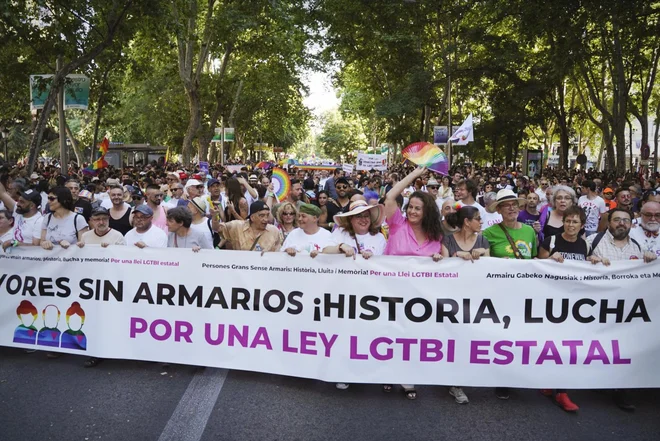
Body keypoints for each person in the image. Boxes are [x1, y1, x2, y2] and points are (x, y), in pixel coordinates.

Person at [586, 207, 656, 411]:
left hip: (625, 308)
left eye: (626, 220)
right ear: (609, 223)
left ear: (631, 224)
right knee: (599, 345)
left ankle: (621, 390)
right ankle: (596, 381)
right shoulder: (593, 242)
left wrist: (649, 260)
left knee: (623, 346)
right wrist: (590, 260)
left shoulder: (636, 247)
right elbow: (574, 267)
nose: (622, 224)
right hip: (597, 305)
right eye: (617, 220)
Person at [383, 166, 443, 400]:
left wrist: (439, 259)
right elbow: (389, 197)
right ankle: (387, 374)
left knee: (411, 336)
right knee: (390, 334)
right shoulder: (397, 224)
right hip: (390, 291)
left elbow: (442, 261)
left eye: (419, 208)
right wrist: (415, 176)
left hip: (419, 297)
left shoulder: (435, 236)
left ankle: (407, 375)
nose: (413, 212)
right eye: (411, 207)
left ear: (427, 212)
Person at [483, 189, 537, 400]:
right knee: (502, 338)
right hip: (500, 295)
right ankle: (502, 379)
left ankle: (516, 375)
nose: (512, 208)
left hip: (524, 293)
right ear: (499, 210)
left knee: (520, 336)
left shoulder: (529, 232)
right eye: (506, 205)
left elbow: (534, 261)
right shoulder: (489, 234)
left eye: (514, 204)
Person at [214, 200, 282, 252]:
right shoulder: (237, 227)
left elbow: (280, 253)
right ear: (252, 217)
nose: (266, 219)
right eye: (262, 216)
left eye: (267, 215)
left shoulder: (274, 231)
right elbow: (217, 228)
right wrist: (215, 216)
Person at [0, 186, 43, 251]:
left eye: (22, 202)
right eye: (18, 201)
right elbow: (2, 193)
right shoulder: (18, 211)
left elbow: (35, 246)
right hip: (13, 257)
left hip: (27, 259)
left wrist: (14, 243)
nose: (17, 204)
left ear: (32, 206)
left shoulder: (39, 221)